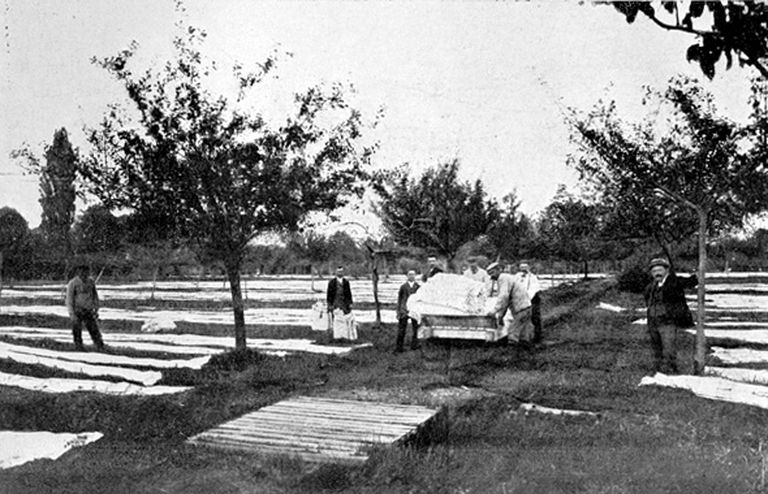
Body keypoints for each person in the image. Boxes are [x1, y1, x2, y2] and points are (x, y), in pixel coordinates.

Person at [644, 257, 698, 374]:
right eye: (654, 271)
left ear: (666, 271)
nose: (657, 273)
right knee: (656, 348)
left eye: (660, 270)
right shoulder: (651, 287)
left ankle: (671, 370)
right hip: (653, 322)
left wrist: (697, 274)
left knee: (668, 348)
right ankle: (658, 372)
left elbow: (690, 282)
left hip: (668, 321)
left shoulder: (674, 282)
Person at [486, 261, 534, 344]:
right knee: (524, 334)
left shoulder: (503, 278)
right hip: (526, 307)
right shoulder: (507, 278)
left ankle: (510, 353)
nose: (492, 276)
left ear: (499, 270)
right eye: (490, 274)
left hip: (521, 309)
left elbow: (503, 297)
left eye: (493, 273)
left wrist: (494, 311)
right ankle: (525, 353)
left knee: (512, 333)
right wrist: (501, 316)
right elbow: (506, 302)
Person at [65, 264, 104, 351]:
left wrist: (96, 307)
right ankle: (78, 347)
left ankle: (100, 346)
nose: (84, 274)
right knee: (77, 332)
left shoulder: (91, 282)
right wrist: (72, 313)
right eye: (82, 272)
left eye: (86, 272)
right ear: (78, 272)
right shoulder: (73, 283)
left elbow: (94, 296)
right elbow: (69, 299)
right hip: (77, 311)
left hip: (88, 310)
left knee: (94, 330)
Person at [516, 261, 542, 343]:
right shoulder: (517, 276)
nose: (523, 270)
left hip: (532, 298)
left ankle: (537, 337)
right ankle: (522, 336)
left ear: (528, 268)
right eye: (522, 268)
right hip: (521, 299)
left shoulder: (533, 277)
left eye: (525, 268)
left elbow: (534, 289)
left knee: (535, 317)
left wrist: (527, 298)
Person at [395, 269, 421, 352]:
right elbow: (399, 299)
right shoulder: (403, 287)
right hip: (404, 309)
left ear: (415, 276)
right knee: (401, 329)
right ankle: (399, 347)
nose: (411, 276)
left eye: (413, 275)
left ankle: (414, 345)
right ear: (407, 276)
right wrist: (398, 310)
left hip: (414, 309)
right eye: (410, 275)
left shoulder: (418, 287)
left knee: (416, 328)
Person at [326, 265, 355, 339]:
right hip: (335, 303)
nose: (340, 273)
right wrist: (329, 304)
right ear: (336, 272)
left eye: (341, 271)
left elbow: (349, 293)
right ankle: (336, 336)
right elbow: (329, 294)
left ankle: (344, 336)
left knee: (344, 319)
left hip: (344, 303)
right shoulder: (332, 283)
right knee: (335, 320)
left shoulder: (346, 282)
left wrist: (350, 303)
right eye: (338, 271)